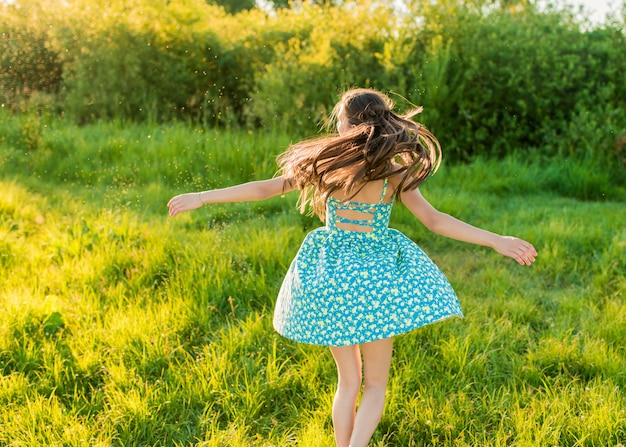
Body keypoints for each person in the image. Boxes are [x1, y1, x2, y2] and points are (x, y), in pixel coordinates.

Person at [167, 88, 537, 447]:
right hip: (376, 280)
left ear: (347, 125)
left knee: (348, 382)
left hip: (329, 278)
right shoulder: (394, 174)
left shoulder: (327, 165)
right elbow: (436, 221)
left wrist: (202, 197)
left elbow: (264, 189)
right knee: (375, 384)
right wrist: (495, 240)